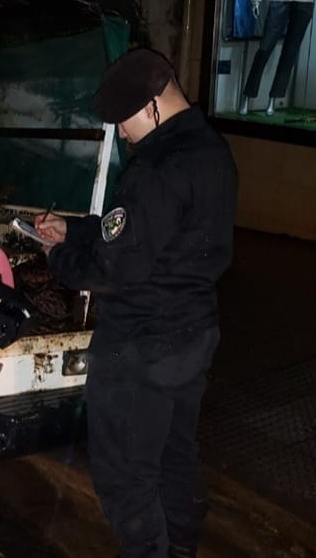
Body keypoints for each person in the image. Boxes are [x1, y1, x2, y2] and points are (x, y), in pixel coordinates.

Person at [35, 48, 237, 558]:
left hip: (140, 345)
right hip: (193, 334)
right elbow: (152, 233)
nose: (122, 134)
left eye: (124, 121)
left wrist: (57, 256)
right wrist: (75, 229)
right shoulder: (213, 151)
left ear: (152, 106)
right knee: (174, 459)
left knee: (127, 474)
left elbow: (112, 266)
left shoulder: (155, 170)